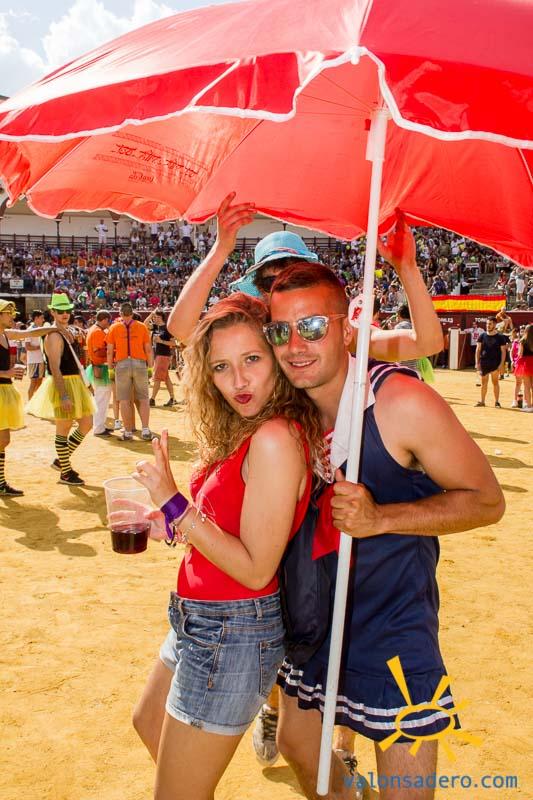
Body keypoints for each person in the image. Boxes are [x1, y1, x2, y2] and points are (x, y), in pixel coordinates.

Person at [167, 194, 444, 770]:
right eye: (267, 279)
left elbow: (426, 343)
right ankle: (283, 716)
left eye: (288, 274)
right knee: (292, 615)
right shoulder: (261, 343)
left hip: (339, 511)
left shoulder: (329, 342)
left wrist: (408, 269)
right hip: (296, 510)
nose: (277, 286)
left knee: (328, 625)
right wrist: (219, 248)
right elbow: (183, 328)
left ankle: (336, 747)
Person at [264, 263, 505, 800]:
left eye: (312, 327)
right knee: (301, 749)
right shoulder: (289, 408)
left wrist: (382, 518)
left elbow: (488, 501)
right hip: (314, 617)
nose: (295, 345)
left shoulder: (400, 401)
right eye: (280, 330)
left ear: (346, 329)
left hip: (393, 621)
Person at [119, 293, 324, 800]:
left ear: (276, 356)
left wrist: (175, 505)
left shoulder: (275, 438)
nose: (239, 381)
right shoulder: (245, 426)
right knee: (149, 723)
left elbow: (256, 569)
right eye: (222, 367)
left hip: (232, 628)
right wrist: (168, 519)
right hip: (198, 617)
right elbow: (225, 522)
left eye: (252, 360)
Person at [26, 293, 95, 486]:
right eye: (60, 311)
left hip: (74, 382)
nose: (65, 314)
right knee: (63, 428)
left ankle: (61, 461)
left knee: (86, 423)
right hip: (63, 384)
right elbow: (55, 368)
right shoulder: (54, 335)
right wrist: (64, 395)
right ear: (53, 312)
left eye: (67, 311)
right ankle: (65, 471)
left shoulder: (64, 331)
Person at [0, 300, 54, 496]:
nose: (12, 317)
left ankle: (0, 482)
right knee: (2, 439)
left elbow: (29, 333)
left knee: (3, 440)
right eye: (8, 314)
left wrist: (54, 327)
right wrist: (7, 373)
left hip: (4, 391)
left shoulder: (6, 334)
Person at [106, 302, 153, 441]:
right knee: (143, 398)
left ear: (120, 314)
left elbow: (109, 351)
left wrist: (110, 369)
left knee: (124, 400)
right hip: (139, 363)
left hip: (122, 364)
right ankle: (145, 430)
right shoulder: (142, 327)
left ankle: (127, 432)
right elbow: (148, 350)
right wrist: (150, 367)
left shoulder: (114, 327)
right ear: (132, 313)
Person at [86, 310, 113, 436]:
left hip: (98, 366)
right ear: (105, 320)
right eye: (108, 321)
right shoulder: (97, 331)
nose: (109, 323)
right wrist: (112, 351)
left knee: (101, 397)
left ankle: (100, 425)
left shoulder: (94, 329)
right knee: (101, 398)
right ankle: (98, 427)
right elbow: (98, 352)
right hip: (100, 366)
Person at [145, 309, 178, 407]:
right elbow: (145, 324)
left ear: (162, 317)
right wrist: (151, 314)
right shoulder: (155, 327)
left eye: (157, 317)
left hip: (163, 355)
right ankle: (172, 398)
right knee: (166, 378)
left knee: (157, 378)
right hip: (157, 354)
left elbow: (173, 343)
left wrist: (161, 341)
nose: (155, 318)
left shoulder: (167, 328)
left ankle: (152, 399)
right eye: (155, 317)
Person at [475, 317, 507, 407]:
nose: (488, 326)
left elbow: (503, 352)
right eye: (487, 324)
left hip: (495, 363)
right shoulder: (482, 336)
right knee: (483, 383)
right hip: (484, 363)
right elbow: (478, 350)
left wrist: (501, 364)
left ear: (495, 324)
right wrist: (477, 363)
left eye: (490, 324)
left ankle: (497, 402)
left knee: (495, 382)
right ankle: (482, 401)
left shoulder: (500, 337)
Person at [24, 309, 46, 399]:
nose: (43, 320)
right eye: (41, 318)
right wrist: (40, 347)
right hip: (33, 361)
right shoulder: (29, 330)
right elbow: (27, 347)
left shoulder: (41, 329)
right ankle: (30, 403)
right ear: (36, 318)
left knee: (40, 382)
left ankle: (35, 403)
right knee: (33, 382)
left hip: (41, 360)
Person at [514, 323, 533, 412]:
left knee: (527, 386)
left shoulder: (522, 341)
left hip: (525, 364)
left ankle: (529, 406)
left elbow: (520, 354)